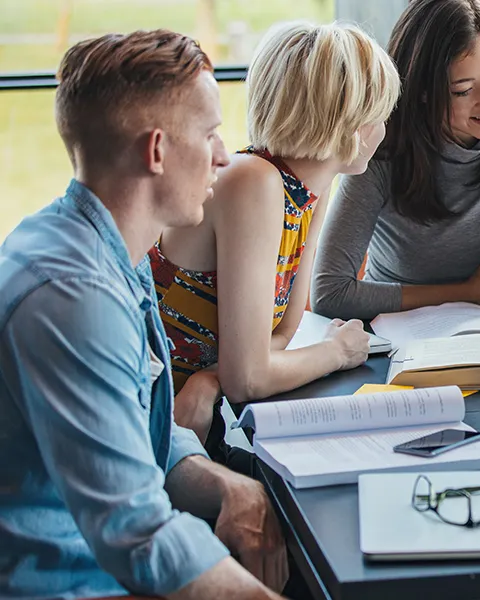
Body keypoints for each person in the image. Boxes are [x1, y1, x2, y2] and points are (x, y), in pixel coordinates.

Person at [0, 30, 287, 599]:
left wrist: (229, 487)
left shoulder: (105, 250)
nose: (225, 155)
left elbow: (136, 433)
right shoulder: (73, 297)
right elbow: (140, 534)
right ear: (156, 151)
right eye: (209, 134)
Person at [151, 21, 401, 471]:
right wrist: (337, 352)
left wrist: (212, 379)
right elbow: (249, 378)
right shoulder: (254, 181)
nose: (383, 127)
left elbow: (281, 333)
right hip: (150, 426)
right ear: (349, 122)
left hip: (193, 419)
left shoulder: (309, 191)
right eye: (379, 113)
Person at [311, 0, 480, 321]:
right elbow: (330, 293)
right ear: (423, 91)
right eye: (463, 90)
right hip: (395, 335)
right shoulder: (379, 148)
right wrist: (469, 292)